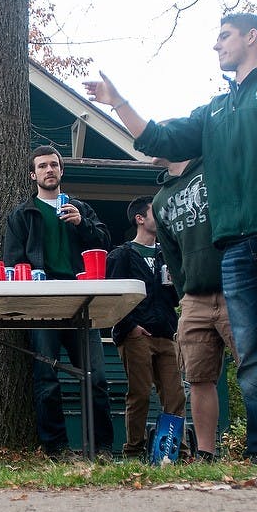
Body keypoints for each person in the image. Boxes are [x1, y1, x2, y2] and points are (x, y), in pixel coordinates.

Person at [85, 12, 257, 461]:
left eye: (223, 36)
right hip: (235, 246)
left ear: (252, 37)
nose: (216, 45)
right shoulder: (214, 112)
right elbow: (158, 138)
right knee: (251, 354)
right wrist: (117, 101)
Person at [152, 157, 257, 460]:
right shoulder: (160, 200)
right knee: (198, 376)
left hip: (241, 287)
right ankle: (206, 451)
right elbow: (172, 255)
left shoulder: (216, 167)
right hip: (194, 298)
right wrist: (185, 293)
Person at [2, 145, 116, 462]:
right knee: (46, 378)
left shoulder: (81, 209)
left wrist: (83, 224)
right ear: (33, 174)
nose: (49, 170)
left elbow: (105, 244)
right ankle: (56, 449)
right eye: (42, 166)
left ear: (61, 171)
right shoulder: (22, 214)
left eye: (54, 165)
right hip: (43, 303)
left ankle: (101, 448)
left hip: (82, 302)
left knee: (96, 377)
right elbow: (13, 262)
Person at [106, 196, 185, 460]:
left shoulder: (168, 255)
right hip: (135, 335)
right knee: (139, 394)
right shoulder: (122, 255)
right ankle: (133, 451)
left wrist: (174, 283)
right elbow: (114, 297)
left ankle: (174, 453)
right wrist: (132, 327)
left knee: (175, 395)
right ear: (140, 219)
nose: (162, 217)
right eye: (155, 213)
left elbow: (175, 298)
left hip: (166, 333)